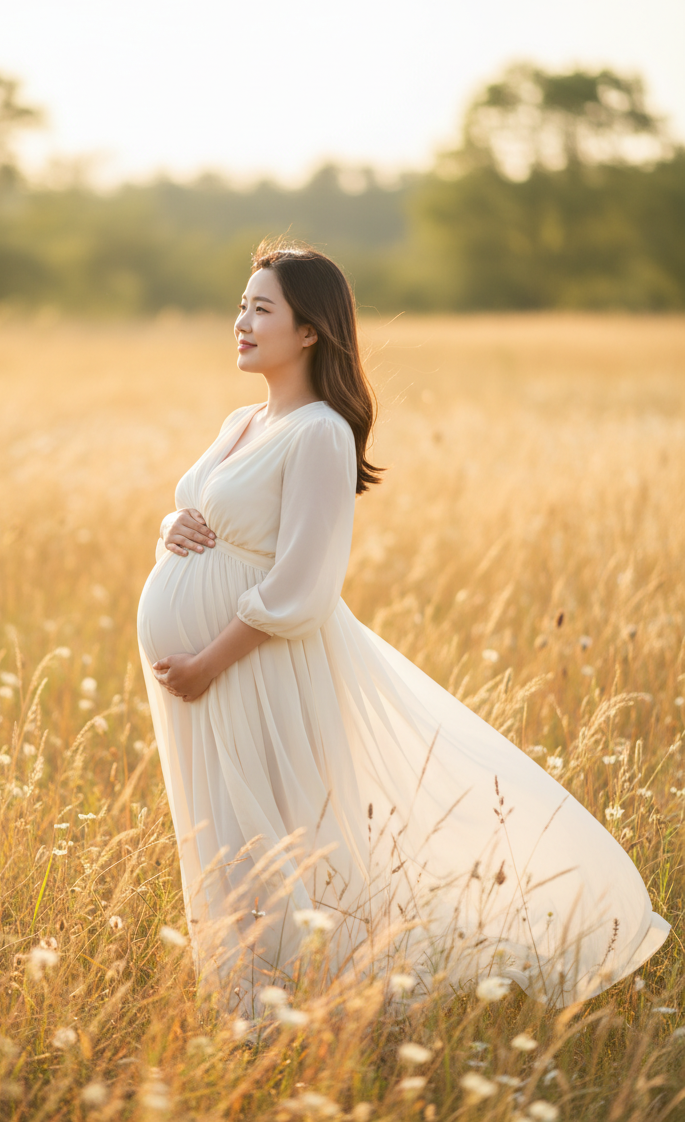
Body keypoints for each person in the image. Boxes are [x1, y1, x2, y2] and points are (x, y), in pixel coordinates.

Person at [136, 240, 668, 1019]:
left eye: (261, 309)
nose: (241, 322)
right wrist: (172, 523)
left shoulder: (320, 431)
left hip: (251, 666)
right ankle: (252, 1006)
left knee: (278, 836)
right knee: (225, 832)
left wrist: (208, 662)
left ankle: (305, 1003)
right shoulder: (242, 420)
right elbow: (210, 518)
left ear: (310, 330)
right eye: (241, 306)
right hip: (204, 674)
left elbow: (305, 582)